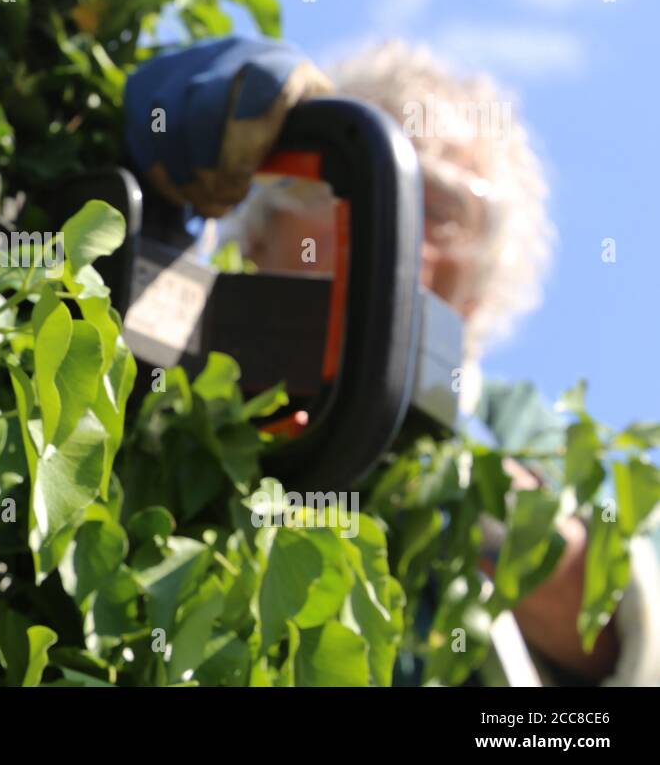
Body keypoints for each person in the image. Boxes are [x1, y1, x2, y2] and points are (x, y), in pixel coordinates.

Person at [123, 36, 660, 685]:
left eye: (445, 213)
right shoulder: (173, 378)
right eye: (369, 185)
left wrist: (448, 469)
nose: (408, 241)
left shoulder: (528, 433)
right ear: (262, 227)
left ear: (483, 285)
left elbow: (623, 622)